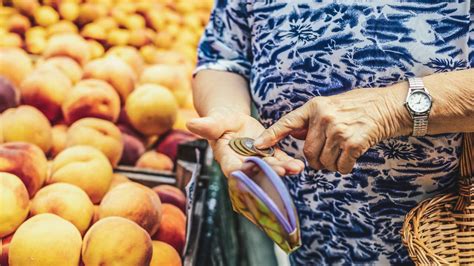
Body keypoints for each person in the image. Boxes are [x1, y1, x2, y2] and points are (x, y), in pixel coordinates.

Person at [187, 1, 474, 265]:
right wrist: (230, 114)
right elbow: (223, 58)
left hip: (443, 240)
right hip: (312, 239)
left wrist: (394, 107)